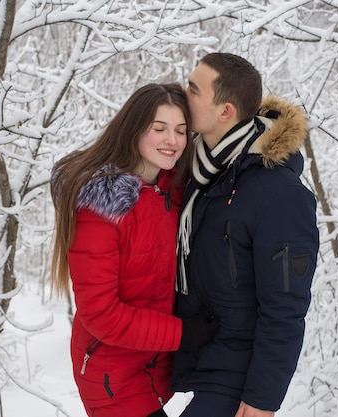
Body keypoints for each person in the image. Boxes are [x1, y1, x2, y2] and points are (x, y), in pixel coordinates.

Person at [50, 83, 219, 417]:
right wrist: (183, 333)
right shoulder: (102, 207)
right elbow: (101, 313)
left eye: (181, 131)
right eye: (159, 129)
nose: (172, 141)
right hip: (112, 377)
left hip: (155, 369)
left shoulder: (172, 191)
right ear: (134, 129)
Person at [171, 53, 319, 417]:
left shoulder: (279, 195)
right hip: (199, 359)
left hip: (238, 376)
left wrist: (262, 400)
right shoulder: (200, 172)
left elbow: (285, 308)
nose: (181, 94)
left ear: (225, 111)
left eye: (193, 89)